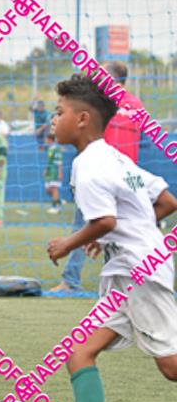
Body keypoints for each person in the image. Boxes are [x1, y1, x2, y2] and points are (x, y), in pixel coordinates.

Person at [41, 74, 177, 402]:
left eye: (59, 112)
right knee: (78, 353)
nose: (53, 119)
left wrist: (67, 244)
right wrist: (124, 234)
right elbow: (166, 200)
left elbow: (104, 220)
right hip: (127, 274)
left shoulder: (89, 166)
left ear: (83, 119)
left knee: (171, 367)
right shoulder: (116, 158)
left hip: (139, 273)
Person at [50, 61, 144, 293]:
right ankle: (127, 280)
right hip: (127, 175)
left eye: (100, 74)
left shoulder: (102, 104)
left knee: (85, 225)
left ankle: (71, 281)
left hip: (100, 172)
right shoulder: (136, 105)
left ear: (113, 78)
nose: (96, 78)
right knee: (125, 229)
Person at [43, 131, 63, 214]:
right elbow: (49, 160)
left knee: (54, 189)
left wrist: (60, 172)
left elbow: (59, 161)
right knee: (48, 190)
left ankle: (55, 207)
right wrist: (46, 169)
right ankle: (59, 201)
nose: (45, 140)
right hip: (49, 171)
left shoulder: (56, 149)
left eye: (46, 139)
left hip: (55, 171)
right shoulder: (50, 148)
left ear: (49, 139)